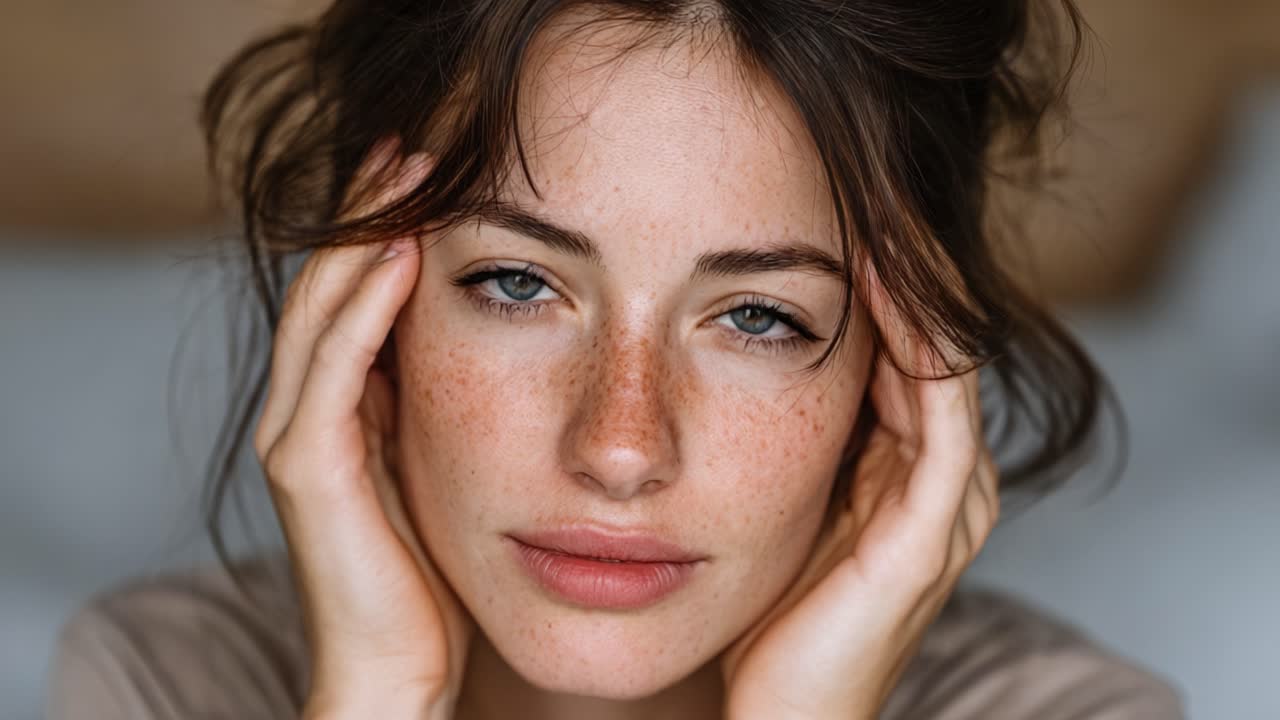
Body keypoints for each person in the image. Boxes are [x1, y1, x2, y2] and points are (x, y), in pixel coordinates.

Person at [46, 1, 1186, 718]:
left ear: (894, 378)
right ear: (366, 313)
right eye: (517, 284)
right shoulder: (161, 683)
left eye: (756, 317)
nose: (620, 445)